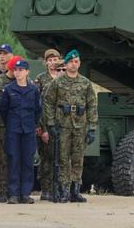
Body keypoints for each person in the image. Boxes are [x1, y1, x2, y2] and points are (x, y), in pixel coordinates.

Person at [43, 49, 97, 203]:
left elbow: (92, 105)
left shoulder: (85, 83)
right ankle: (63, 190)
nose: (75, 64)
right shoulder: (57, 82)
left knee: (78, 158)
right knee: (63, 158)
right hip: (63, 125)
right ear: (66, 64)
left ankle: (75, 190)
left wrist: (92, 127)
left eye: (77, 61)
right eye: (72, 61)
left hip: (80, 125)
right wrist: (51, 123)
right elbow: (48, 103)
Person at [0, 59, 42, 204]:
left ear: (27, 72)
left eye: (21, 70)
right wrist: (11, 124)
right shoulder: (9, 89)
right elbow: (3, 110)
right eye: (16, 70)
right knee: (14, 160)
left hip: (28, 130)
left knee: (27, 161)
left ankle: (25, 193)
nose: (18, 73)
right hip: (13, 130)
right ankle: (13, 194)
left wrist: (32, 124)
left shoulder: (33, 90)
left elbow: (38, 110)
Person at [0, 54, 21, 202]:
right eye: (16, 68)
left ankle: (14, 190)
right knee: (2, 159)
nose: (18, 72)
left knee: (15, 158)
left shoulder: (23, 82)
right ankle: (2, 190)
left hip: (18, 126)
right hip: (1, 125)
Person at [34, 48, 62, 200]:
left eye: (55, 60)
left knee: (61, 158)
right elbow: (37, 104)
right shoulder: (41, 78)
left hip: (62, 124)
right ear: (45, 62)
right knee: (47, 158)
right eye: (49, 60)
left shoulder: (64, 76)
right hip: (46, 123)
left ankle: (58, 188)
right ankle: (46, 189)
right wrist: (41, 127)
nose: (52, 63)